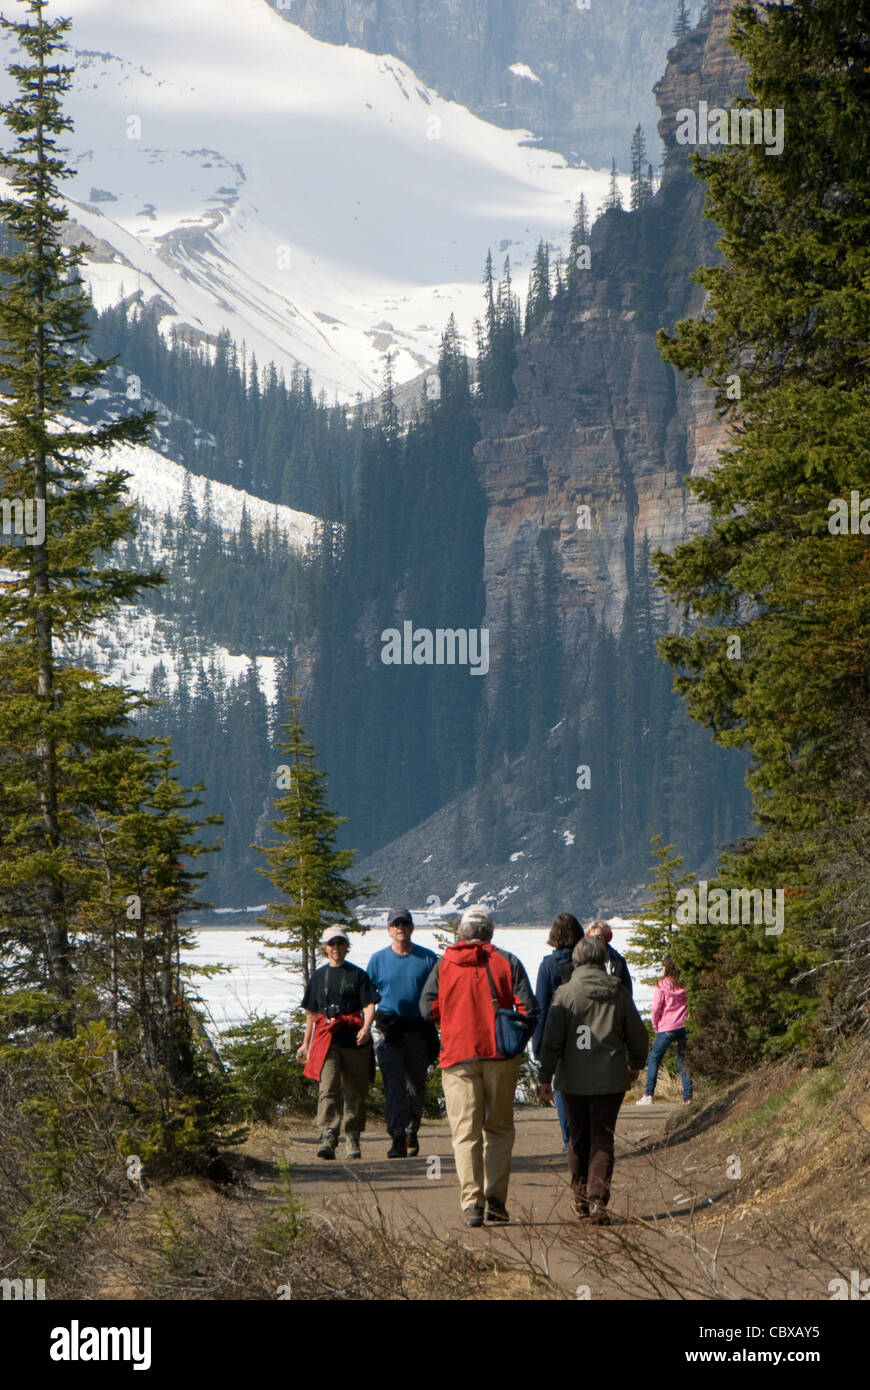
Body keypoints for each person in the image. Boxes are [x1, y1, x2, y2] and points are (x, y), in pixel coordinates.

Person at [420, 904, 538, 1227]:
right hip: (500, 1056)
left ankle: (472, 1204)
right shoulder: (507, 961)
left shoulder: (444, 965)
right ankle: (496, 1202)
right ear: (490, 933)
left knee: (465, 1133)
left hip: (458, 1057)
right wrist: (516, 1039)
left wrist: (453, 1018)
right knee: (498, 1130)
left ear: (462, 933)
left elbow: (426, 1009)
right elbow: (530, 1009)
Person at [539, 935, 647, 1225]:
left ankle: (580, 1198)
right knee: (602, 1136)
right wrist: (635, 1065)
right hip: (610, 1078)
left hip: (572, 1079)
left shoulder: (565, 993)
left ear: (576, 962)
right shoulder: (619, 993)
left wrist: (545, 1076)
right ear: (603, 961)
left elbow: (552, 1041)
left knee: (578, 1136)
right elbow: (638, 1037)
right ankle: (598, 1199)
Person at [297, 925, 378, 1160]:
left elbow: (369, 1005)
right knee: (328, 1088)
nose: (336, 948)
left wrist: (366, 1027)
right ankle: (329, 1135)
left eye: (340, 943)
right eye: (331, 944)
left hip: (354, 1039)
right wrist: (305, 1043)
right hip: (327, 1040)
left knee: (355, 1091)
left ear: (346, 946)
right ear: (324, 947)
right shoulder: (319, 977)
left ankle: (352, 1136)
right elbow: (311, 1013)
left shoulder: (358, 975)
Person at [367, 909, 439, 1157]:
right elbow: (368, 997)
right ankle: (397, 1135)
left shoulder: (428, 959)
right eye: (395, 924)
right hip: (389, 1032)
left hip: (418, 1031)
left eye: (404, 923)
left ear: (411, 928)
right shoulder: (377, 961)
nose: (400, 928)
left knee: (415, 1086)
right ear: (388, 929)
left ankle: (412, 1131)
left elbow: (441, 995)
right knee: (393, 1086)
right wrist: (371, 1021)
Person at [531, 913, 584, 1151]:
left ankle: (569, 1139)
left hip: (558, 1033)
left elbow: (540, 1008)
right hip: (586, 1031)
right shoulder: (587, 962)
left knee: (562, 1085)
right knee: (586, 1081)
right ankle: (585, 1134)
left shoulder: (548, 966)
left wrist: (539, 1044)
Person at [636, 955, 693, 1106]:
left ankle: (648, 1094)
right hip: (684, 1025)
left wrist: (655, 1025)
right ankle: (688, 1097)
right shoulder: (685, 984)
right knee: (684, 1060)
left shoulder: (661, 985)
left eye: (662, 967)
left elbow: (655, 1008)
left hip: (667, 1027)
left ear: (667, 968)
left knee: (654, 1057)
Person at [585, 919, 633, 995]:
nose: (595, 941)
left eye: (599, 937)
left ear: (606, 938)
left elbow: (627, 990)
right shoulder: (582, 960)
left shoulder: (618, 961)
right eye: (591, 938)